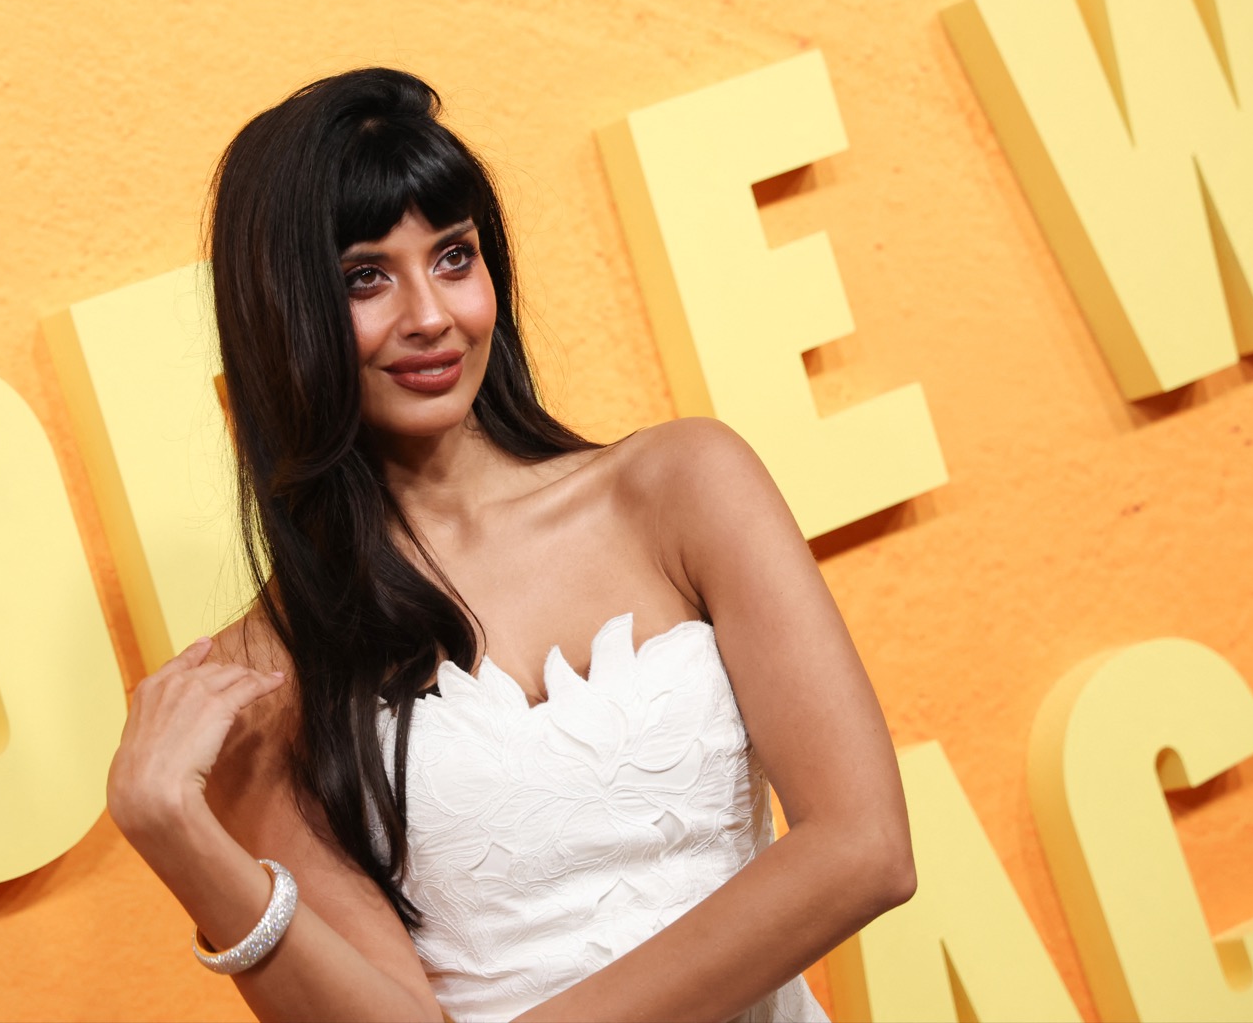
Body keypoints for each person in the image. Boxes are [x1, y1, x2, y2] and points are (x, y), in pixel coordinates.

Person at [106, 67, 914, 1023]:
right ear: (282, 315)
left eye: (454, 257)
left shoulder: (683, 485)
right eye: (366, 277)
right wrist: (176, 833)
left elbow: (865, 847)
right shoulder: (265, 676)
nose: (431, 316)